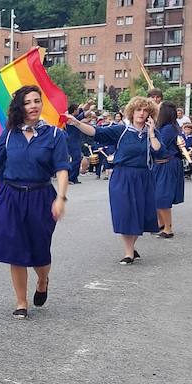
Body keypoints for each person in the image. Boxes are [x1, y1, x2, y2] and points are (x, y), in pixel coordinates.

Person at [0, 85, 71, 317]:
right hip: (11, 196)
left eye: (36, 101)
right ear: (20, 107)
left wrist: (60, 197)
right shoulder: (9, 135)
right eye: (28, 102)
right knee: (16, 250)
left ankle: (42, 280)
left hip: (41, 197)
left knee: (40, 250)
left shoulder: (55, 135)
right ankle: (21, 302)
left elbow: (61, 168)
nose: (33, 106)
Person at [65, 97, 159, 263]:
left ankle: (132, 247)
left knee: (139, 215)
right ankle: (128, 252)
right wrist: (77, 123)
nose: (141, 113)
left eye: (145, 110)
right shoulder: (121, 130)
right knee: (124, 213)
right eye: (138, 109)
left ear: (150, 114)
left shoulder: (152, 133)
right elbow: (96, 132)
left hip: (144, 177)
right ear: (132, 112)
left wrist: (151, 133)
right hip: (122, 176)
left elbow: (158, 151)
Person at [151, 101, 189, 238]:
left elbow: (159, 147)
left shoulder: (168, 129)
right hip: (161, 164)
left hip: (167, 163)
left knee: (162, 196)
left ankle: (168, 228)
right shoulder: (168, 127)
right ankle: (161, 224)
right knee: (156, 195)